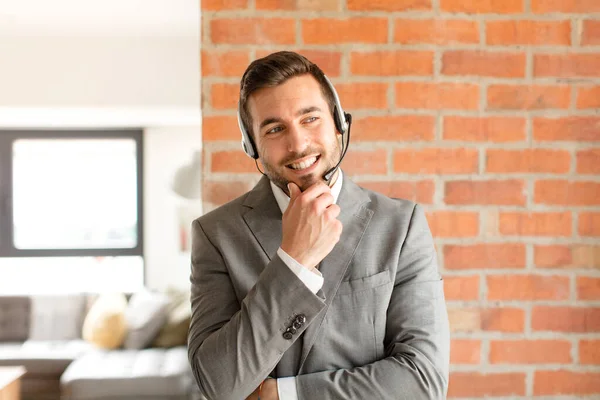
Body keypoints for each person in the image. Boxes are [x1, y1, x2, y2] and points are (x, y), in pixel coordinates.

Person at [188, 51, 450, 400]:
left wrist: (281, 395)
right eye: (275, 128)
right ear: (252, 145)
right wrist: (293, 262)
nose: (297, 144)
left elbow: (423, 380)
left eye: (310, 119)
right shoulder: (216, 234)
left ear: (339, 123)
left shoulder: (402, 226)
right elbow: (218, 384)